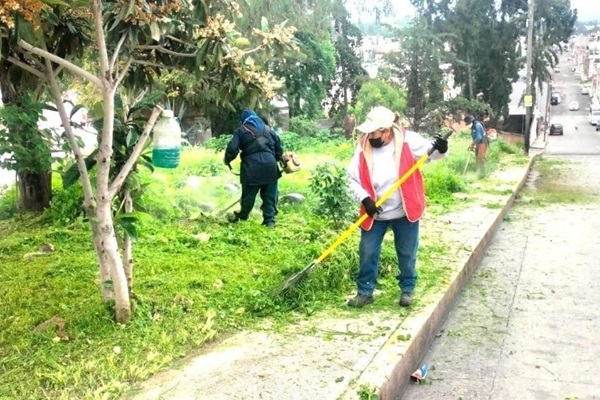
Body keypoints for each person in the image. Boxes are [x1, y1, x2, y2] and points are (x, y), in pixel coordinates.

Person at [346, 106, 449, 308]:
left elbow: (433, 155)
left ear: (386, 131)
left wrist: (442, 148)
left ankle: (407, 289)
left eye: (374, 132)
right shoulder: (363, 145)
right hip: (374, 211)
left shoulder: (408, 140)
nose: (370, 135)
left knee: (407, 252)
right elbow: (351, 178)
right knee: (367, 251)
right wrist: (366, 199)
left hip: (405, 209)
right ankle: (365, 291)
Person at [224, 109, 283, 228]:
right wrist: (276, 159)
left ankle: (243, 216)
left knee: (249, 195)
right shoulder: (269, 130)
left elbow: (232, 149)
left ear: (244, 120)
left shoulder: (241, 130)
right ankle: (269, 221)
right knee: (270, 195)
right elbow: (279, 149)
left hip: (251, 168)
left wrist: (227, 160)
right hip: (270, 167)